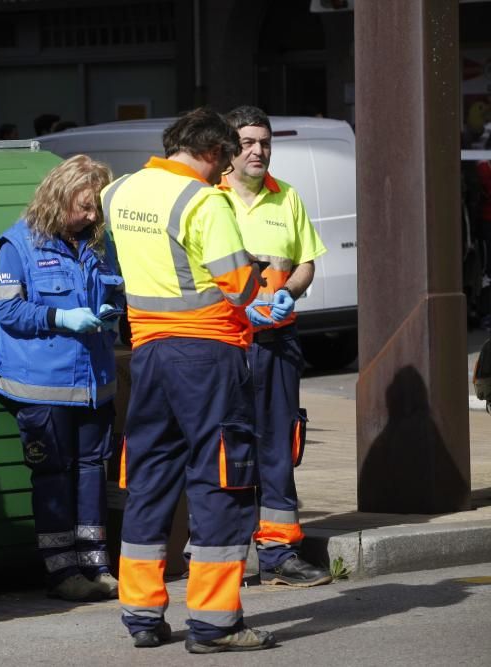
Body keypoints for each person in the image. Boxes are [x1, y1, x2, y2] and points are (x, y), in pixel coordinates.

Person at [103, 107, 275, 653]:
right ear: (212, 152)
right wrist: (260, 271)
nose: (226, 171)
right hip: (208, 355)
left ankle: (142, 613)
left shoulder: (120, 192)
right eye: (225, 158)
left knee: (149, 479)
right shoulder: (203, 202)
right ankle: (215, 623)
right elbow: (240, 285)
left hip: (148, 353)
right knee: (220, 480)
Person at [0, 155, 124, 602]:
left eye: (95, 209)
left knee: (91, 473)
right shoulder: (18, 244)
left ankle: (95, 562)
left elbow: (116, 291)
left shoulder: (99, 242)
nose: (90, 216)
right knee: (52, 475)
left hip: (93, 383)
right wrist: (60, 317)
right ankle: (61, 570)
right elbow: (7, 310)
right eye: (84, 207)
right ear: (58, 196)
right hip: (42, 386)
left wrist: (111, 314)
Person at [220, 106, 331, 587]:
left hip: (278, 338)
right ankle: (227, 551)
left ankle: (280, 553)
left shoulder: (286, 197)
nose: (258, 150)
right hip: (227, 340)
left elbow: (305, 261)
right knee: (226, 444)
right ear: (228, 146)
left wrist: (293, 291)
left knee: (279, 444)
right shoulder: (209, 198)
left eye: (264, 142)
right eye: (248, 141)